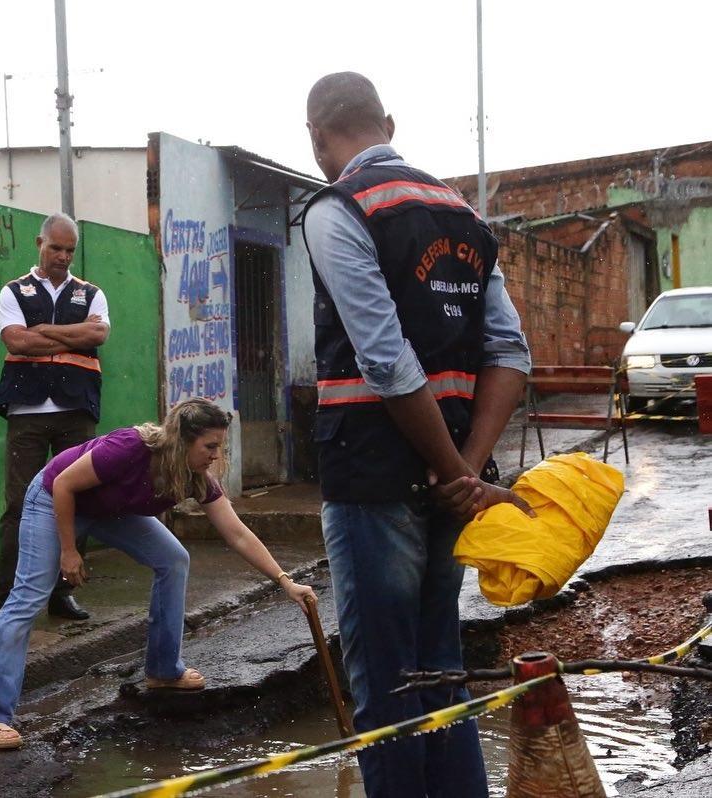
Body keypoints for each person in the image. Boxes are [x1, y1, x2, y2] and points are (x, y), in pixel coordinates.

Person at [300, 73, 533, 797]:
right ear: (388, 123)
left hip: (376, 477)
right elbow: (509, 351)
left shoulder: (340, 208)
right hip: (451, 479)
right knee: (441, 668)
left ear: (315, 137)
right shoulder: (465, 217)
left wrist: (447, 470)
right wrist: (464, 471)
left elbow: (383, 357)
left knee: (387, 684)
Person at [0, 398, 316, 749]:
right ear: (183, 440)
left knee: (173, 559)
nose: (215, 455)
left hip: (109, 509)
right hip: (53, 498)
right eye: (210, 446)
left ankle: (164, 670)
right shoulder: (129, 447)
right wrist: (69, 550)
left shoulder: (195, 478)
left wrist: (285, 582)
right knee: (29, 596)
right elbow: (64, 485)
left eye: (219, 447)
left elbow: (237, 533)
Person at [0, 212, 110, 621]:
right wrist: (69, 332)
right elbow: (17, 341)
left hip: (76, 410)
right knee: (19, 504)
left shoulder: (91, 293)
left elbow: (97, 336)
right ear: (38, 243)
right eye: (56, 247)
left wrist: (43, 330)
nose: (63, 256)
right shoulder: (13, 291)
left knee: (76, 500)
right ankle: (7, 595)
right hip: (26, 410)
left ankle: (61, 595)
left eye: (70, 250)